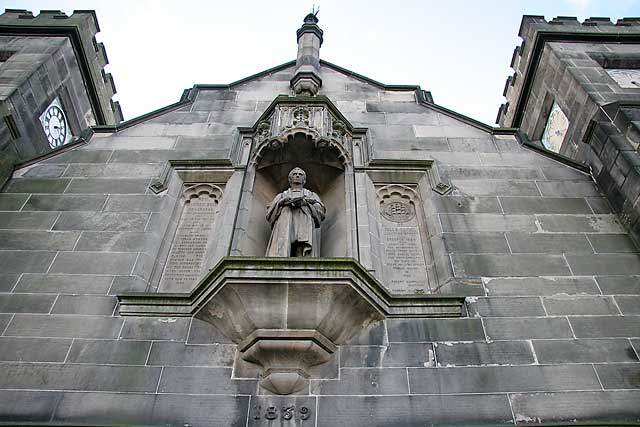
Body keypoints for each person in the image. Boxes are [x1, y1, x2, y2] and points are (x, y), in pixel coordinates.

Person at [265, 167, 325, 257]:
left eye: (300, 174)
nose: (297, 175)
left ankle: (302, 257)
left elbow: (320, 211)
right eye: (295, 174)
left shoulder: (311, 194)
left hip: (304, 220)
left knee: (300, 247)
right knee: (286, 210)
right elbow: (270, 213)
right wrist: (282, 202)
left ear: (304, 180)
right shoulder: (283, 195)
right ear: (290, 179)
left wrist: (307, 203)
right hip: (286, 221)